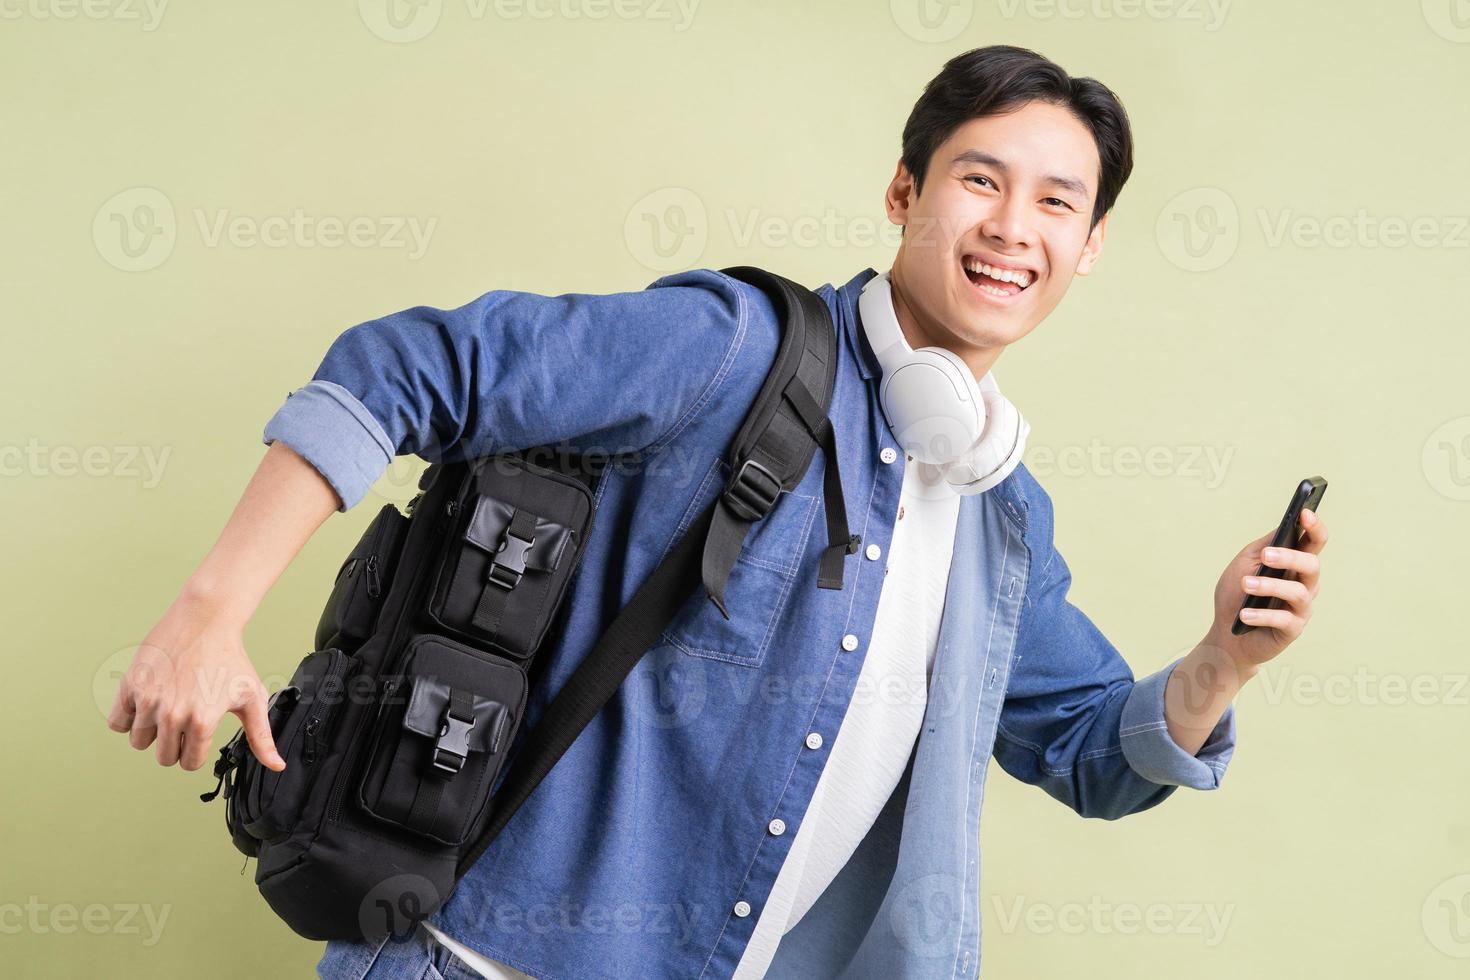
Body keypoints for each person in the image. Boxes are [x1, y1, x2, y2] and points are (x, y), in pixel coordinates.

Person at [107, 45, 1329, 980]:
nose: (1015, 228)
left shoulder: (999, 514)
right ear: (905, 191)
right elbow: (409, 366)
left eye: (1058, 203)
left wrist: (1225, 657)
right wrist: (208, 614)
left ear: (1092, 244)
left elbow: (1089, 748)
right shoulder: (731, 352)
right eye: (980, 180)